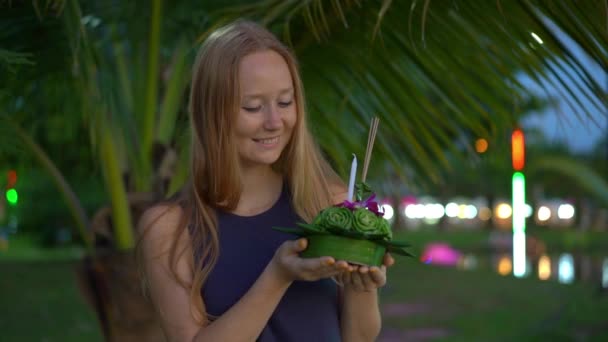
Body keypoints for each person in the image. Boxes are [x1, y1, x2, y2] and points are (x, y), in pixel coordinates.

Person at [137, 19, 394, 342]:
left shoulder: (330, 203)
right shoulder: (169, 228)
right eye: (253, 107)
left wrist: (363, 289)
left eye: (285, 102)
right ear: (211, 111)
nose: (274, 122)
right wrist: (278, 275)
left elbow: (357, 337)